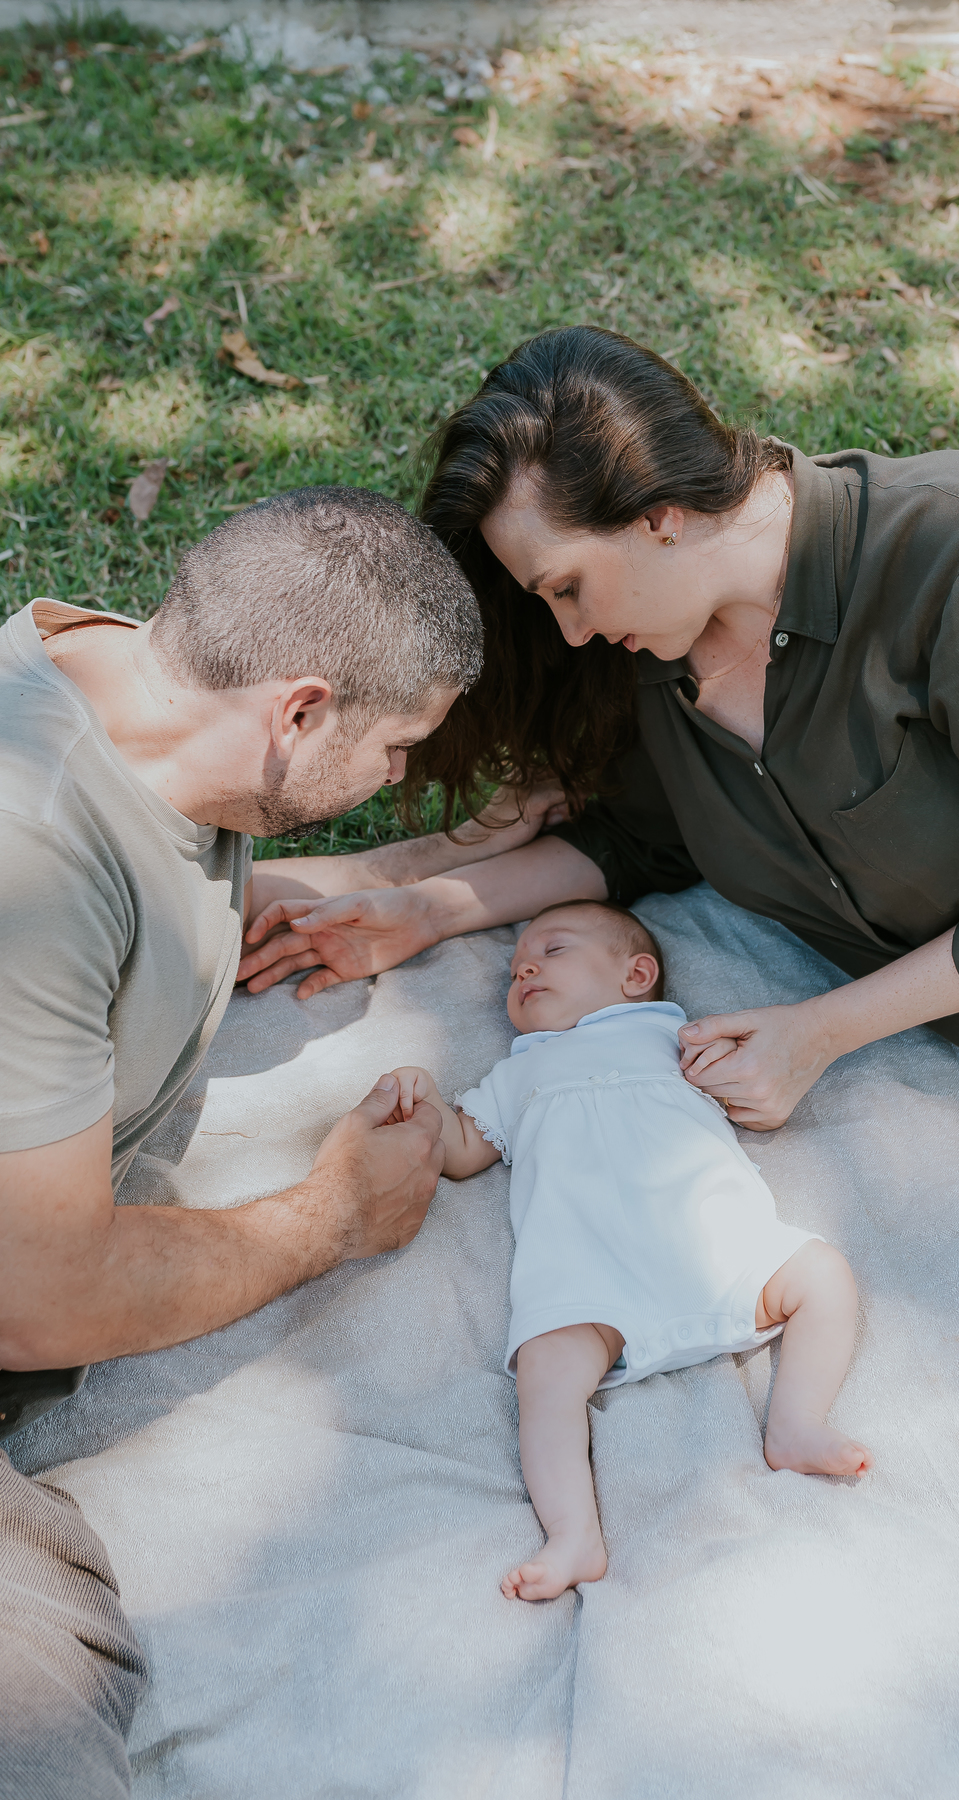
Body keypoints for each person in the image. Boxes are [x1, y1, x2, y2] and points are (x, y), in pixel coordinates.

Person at [239, 327, 959, 1203]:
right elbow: (641, 841)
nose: (570, 630)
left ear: (662, 514)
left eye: (568, 587)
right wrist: (427, 906)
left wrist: (817, 1032)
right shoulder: (655, 652)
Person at [0, 486, 539, 1800]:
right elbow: (41, 1298)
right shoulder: (35, 868)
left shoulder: (127, 678)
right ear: (298, 710)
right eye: (401, 747)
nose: (401, 775)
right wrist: (334, 1217)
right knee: (45, 1706)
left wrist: (402, 891)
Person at [390, 897, 870, 1602]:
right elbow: (462, 1153)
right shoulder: (517, 1073)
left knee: (822, 1273)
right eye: (516, 967)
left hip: (721, 1247)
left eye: (552, 950)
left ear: (637, 974)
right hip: (592, 1283)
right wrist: (426, 1099)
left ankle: (796, 1422)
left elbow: (755, 1080)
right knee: (546, 1376)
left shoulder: (675, 1036)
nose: (523, 966)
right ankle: (573, 1534)